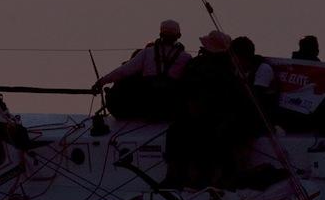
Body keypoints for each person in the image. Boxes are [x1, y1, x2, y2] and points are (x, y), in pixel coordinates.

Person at [164, 30, 247, 188]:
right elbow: (236, 97)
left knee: (180, 132)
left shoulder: (198, 65)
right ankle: (203, 177)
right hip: (212, 117)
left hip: (203, 116)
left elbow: (184, 88)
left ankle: (180, 176)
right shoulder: (228, 69)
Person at [94, 19, 191, 120]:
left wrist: (101, 82)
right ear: (178, 36)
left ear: (160, 34)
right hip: (169, 107)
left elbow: (124, 71)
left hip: (145, 103)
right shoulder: (186, 57)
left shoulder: (147, 52)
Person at [231, 36, 278, 120]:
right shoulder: (238, 70)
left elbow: (257, 96)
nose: (232, 59)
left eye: (234, 56)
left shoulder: (263, 68)